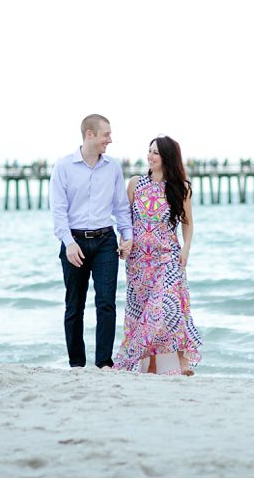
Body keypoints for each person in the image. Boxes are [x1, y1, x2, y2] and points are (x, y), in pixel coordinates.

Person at [113, 135, 202, 375]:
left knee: (171, 305)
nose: (149, 156)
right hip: (139, 259)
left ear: (167, 158)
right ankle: (150, 364)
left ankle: (183, 362)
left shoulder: (181, 188)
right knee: (143, 310)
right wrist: (125, 242)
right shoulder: (135, 184)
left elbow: (188, 222)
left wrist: (186, 248)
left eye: (155, 152)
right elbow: (126, 221)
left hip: (168, 256)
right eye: (149, 151)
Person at [50, 114, 132, 368]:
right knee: (74, 306)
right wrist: (68, 242)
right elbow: (58, 211)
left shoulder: (113, 167)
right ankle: (77, 364)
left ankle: (104, 363)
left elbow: (120, 207)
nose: (110, 139)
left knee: (106, 303)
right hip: (74, 241)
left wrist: (126, 236)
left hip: (105, 240)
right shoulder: (63, 167)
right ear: (90, 134)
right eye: (106, 134)